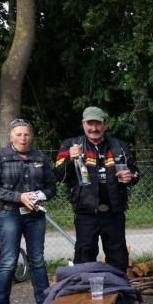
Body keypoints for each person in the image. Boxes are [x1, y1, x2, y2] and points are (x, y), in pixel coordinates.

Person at [0, 119, 56, 304]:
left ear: (30, 136)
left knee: (37, 260)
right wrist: (19, 197)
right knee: (8, 261)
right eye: (18, 134)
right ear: (11, 136)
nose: (23, 138)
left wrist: (40, 195)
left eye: (26, 134)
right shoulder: (0, 156)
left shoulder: (39, 156)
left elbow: (51, 187)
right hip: (9, 214)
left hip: (35, 215)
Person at [55, 106, 139, 271]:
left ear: (105, 125)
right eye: (90, 123)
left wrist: (130, 176)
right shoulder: (70, 145)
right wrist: (70, 159)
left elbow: (135, 173)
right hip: (85, 212)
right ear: (83, 124)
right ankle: (86, 287)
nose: (94, 128)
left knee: (118, 258)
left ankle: (117, 287)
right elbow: (59, 176)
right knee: (84, 257)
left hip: (114, 212)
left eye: (98, 123)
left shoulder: (120, 146)